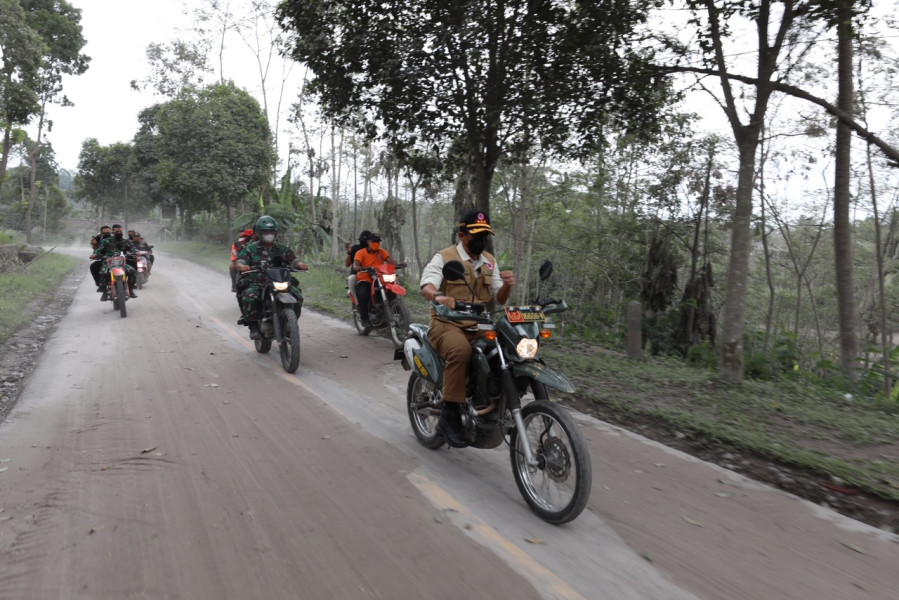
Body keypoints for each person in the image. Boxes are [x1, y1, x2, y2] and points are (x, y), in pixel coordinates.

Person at [419, 210, 516, 447]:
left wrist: (508, 286)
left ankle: (491, 400)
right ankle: (449, 416)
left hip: (480, 325)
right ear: (462, 235)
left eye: (485, 234)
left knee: (507, 350)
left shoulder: (489, 261)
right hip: (446, 324)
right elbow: (427, 285)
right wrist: (438, 297)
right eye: (476, 234)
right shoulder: (444, 257)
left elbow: (499, 298)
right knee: (461, 351)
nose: (481, 239)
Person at [235, 216, 308, 340]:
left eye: (271, 232)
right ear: (259, 233)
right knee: (250, 296)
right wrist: (242, 266)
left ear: (275, 233)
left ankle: (291, 324)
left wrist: (299, 264)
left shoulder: (282, 248)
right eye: (266, 232)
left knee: (297, 296)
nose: (269, 235)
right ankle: (253, 327)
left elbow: (293, 260)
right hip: (258, 282)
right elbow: (240, 261)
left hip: (280, 281)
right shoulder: (250, 248)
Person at [352, 232, 405, 334]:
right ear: (368, 242)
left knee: (392, 289)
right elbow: (355, 265)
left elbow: (391, 261)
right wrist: (363, 268)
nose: (376, 243)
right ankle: (364, 318)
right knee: (363, 294)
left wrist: (399, 265)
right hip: (365, 278)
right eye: (374, 241)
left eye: (378, 242)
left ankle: (398, 314)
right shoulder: (361, 253)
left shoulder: (381, 252)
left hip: (380, 278)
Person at [92, 223, 138, 300]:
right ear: (112, 232)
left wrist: (136, 252)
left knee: (132, 271)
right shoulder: (106, 241)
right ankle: (104, 292)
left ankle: (131, 289)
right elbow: (99, 249)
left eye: (120, 231)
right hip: (109, 262)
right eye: (116, 231)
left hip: (122, 262)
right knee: (103, 272)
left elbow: (132, 248)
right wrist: (94, 254)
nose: (119, 233)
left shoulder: (125, 241)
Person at [345, 230, 372, 302]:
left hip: (372, 274)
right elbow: (347, 264)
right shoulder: (355, 248)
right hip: (357, 274)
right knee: (351, 279)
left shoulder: (374, 250)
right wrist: (349, 253)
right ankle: (357, 303)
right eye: (362, 241)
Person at [90, 225, 112, 290]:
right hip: (105, 259)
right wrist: (95, 254)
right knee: (94, 266)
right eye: (104, 232)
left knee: (130, 269)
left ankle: (130, 287)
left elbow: (126, 247)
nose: (106, 234)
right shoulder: (98, 239)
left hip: (117, 260)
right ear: (101, 233)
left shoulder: (116, 238)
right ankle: (100, 284)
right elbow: (97, 250)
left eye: (108, 232)